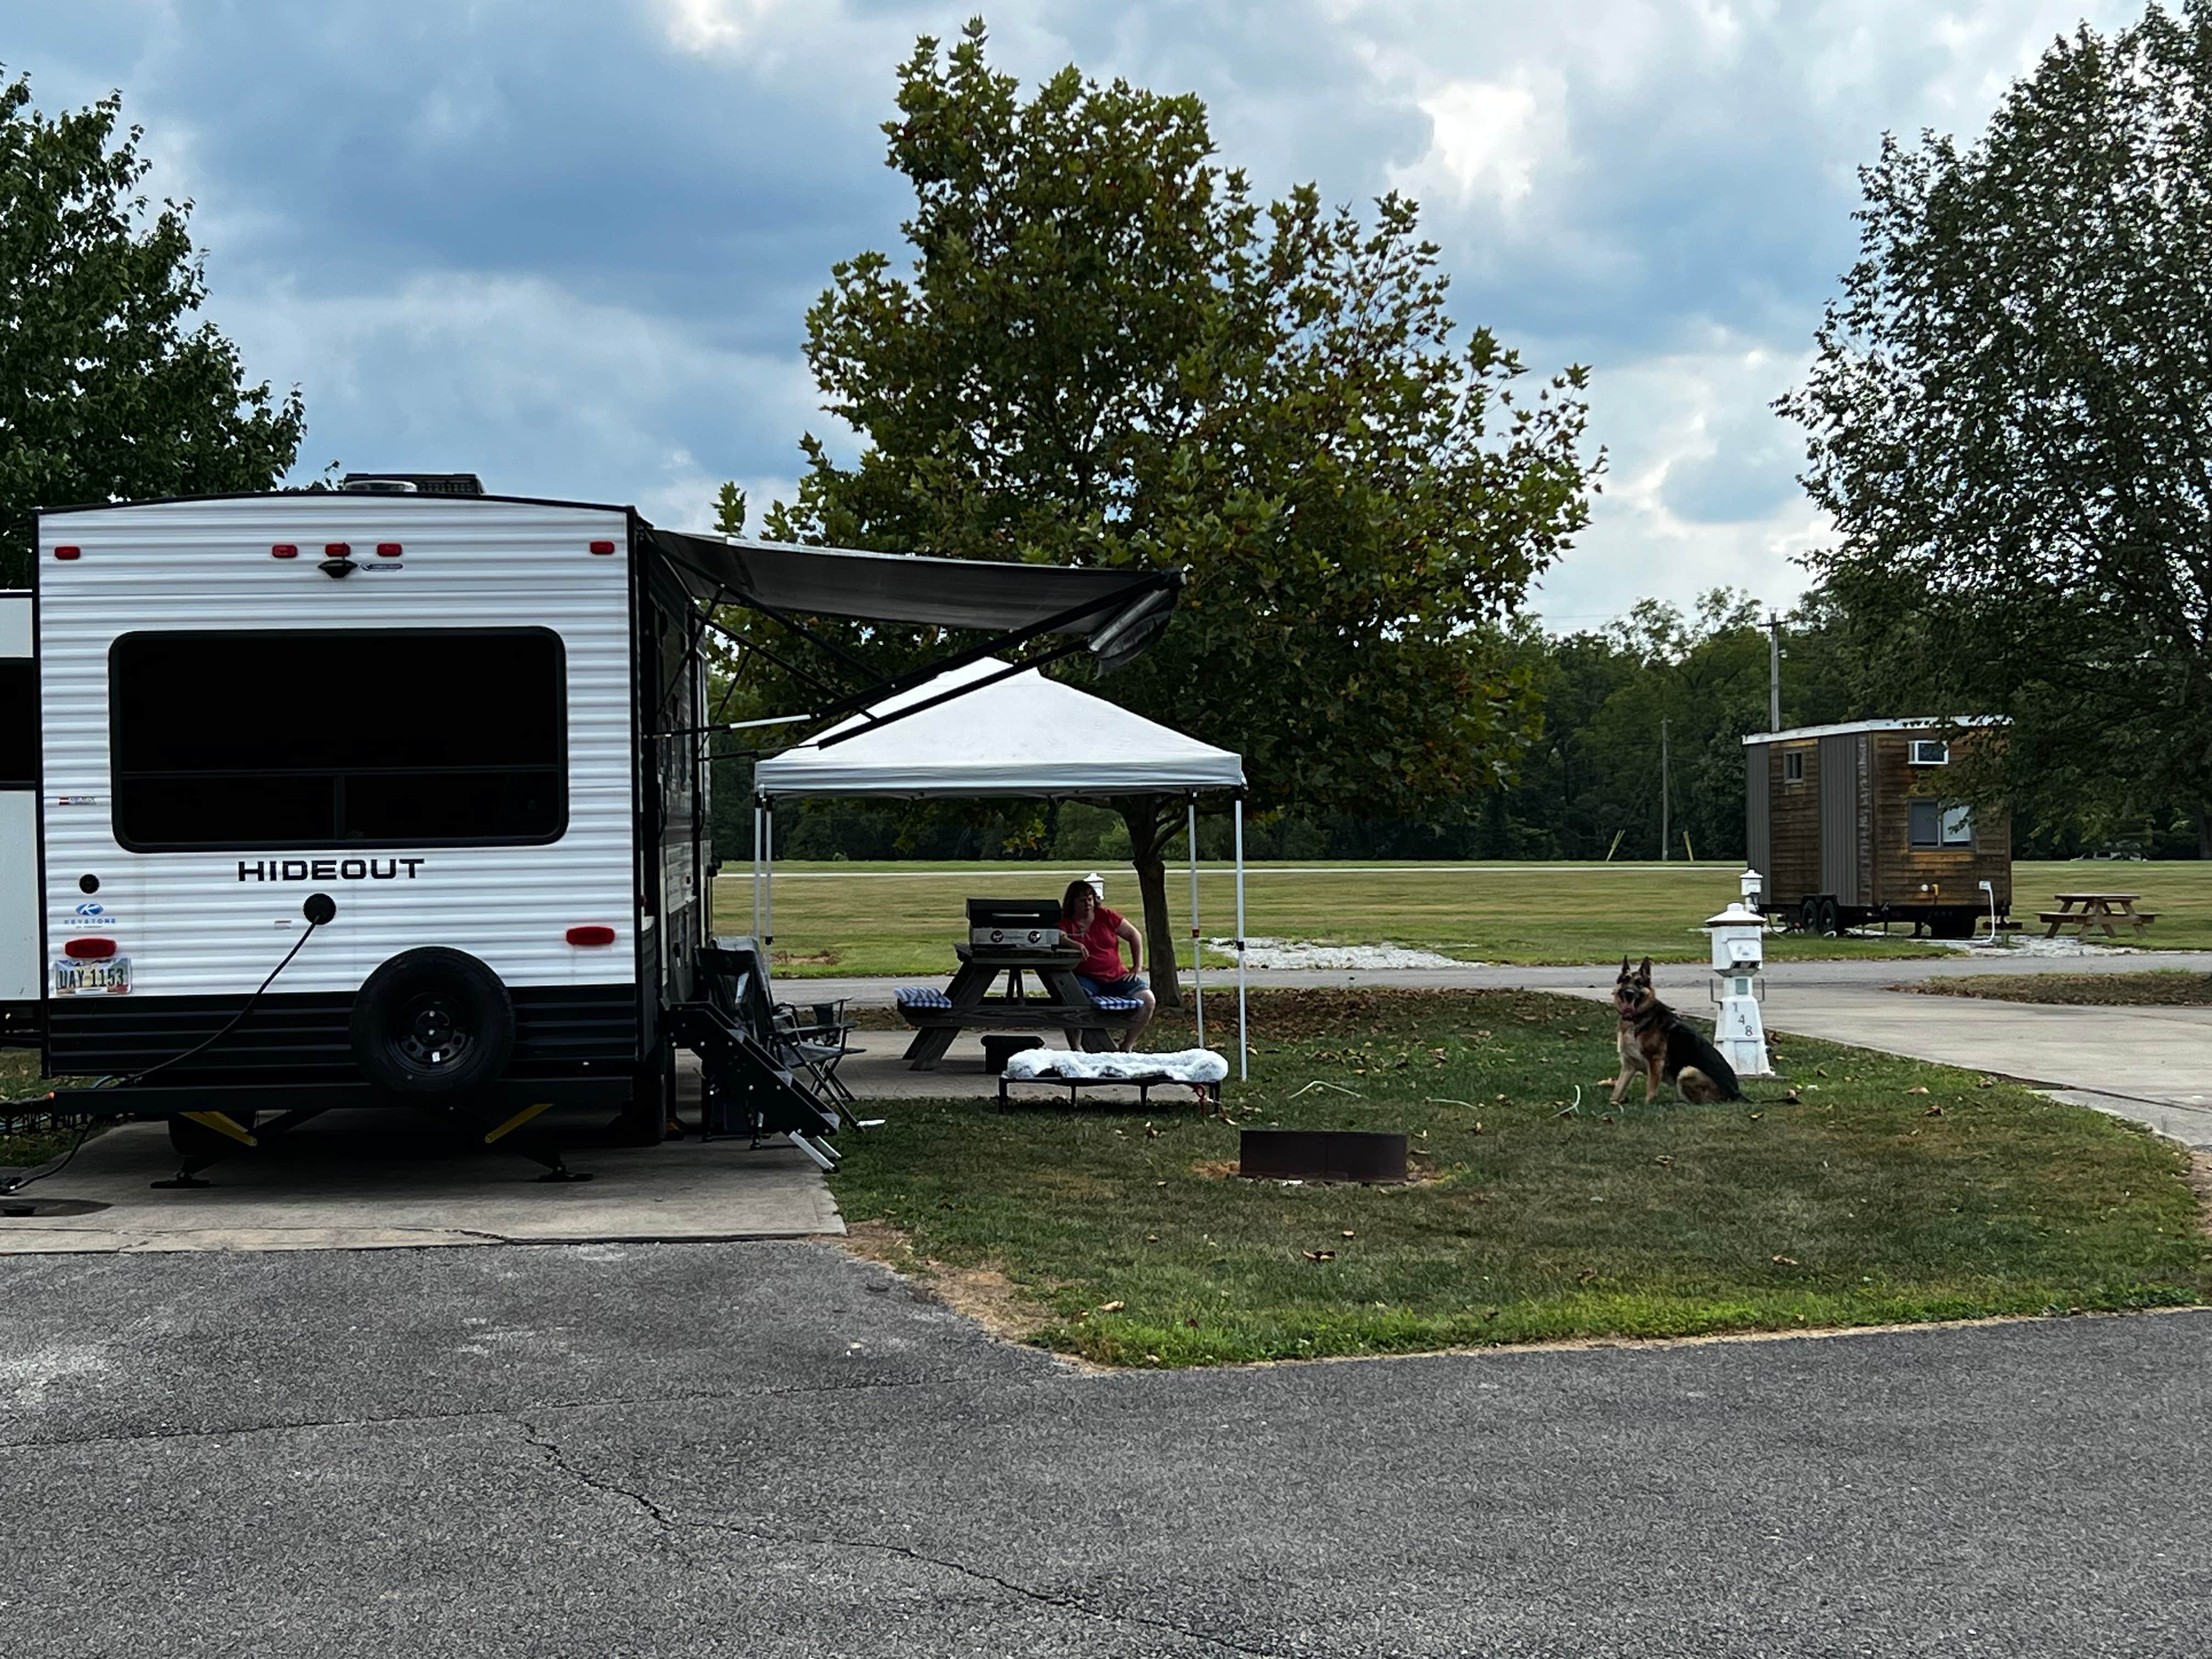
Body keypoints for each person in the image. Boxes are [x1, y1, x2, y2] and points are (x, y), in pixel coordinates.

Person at [1059, 878, 1155, 1048]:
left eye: (1090, 899)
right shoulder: (1068, 923)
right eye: (1082, 900)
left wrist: (1137, 966)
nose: (1087, 904)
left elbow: (1135, 935)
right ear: (1072, 902)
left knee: (1148, 1000)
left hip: (1117, 976)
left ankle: (1127, 1045)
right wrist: (1075, 944)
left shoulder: (1106, 916)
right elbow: (1058, 936)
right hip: (1087, 978)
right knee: (1073, 999)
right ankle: (1076, 1047)